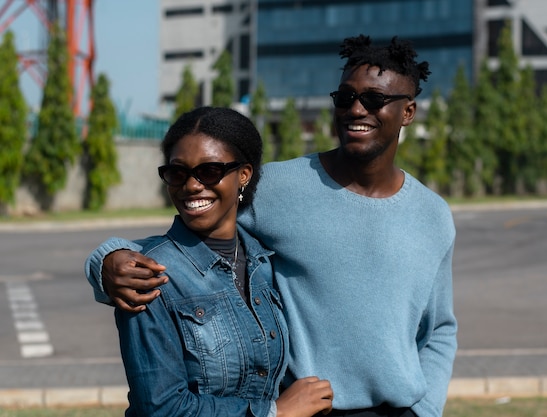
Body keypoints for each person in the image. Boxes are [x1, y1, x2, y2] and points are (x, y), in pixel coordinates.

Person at [86, 35, 457, 417]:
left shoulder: (433, 215)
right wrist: (107, 258)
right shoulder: (279, 187)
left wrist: (426, 409)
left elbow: (441, 327)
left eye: (374, 99)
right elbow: (191, 229)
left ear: (409, 111)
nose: (356, 109)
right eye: (345, 98)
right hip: (307, 409)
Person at [93, 106, 333, 417]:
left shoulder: (265, 262)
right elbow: (162, 409)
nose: (191, 185)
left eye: (209, 171)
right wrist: (275, 413)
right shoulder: (149, 275)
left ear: (243, 175)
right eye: (178, 172)